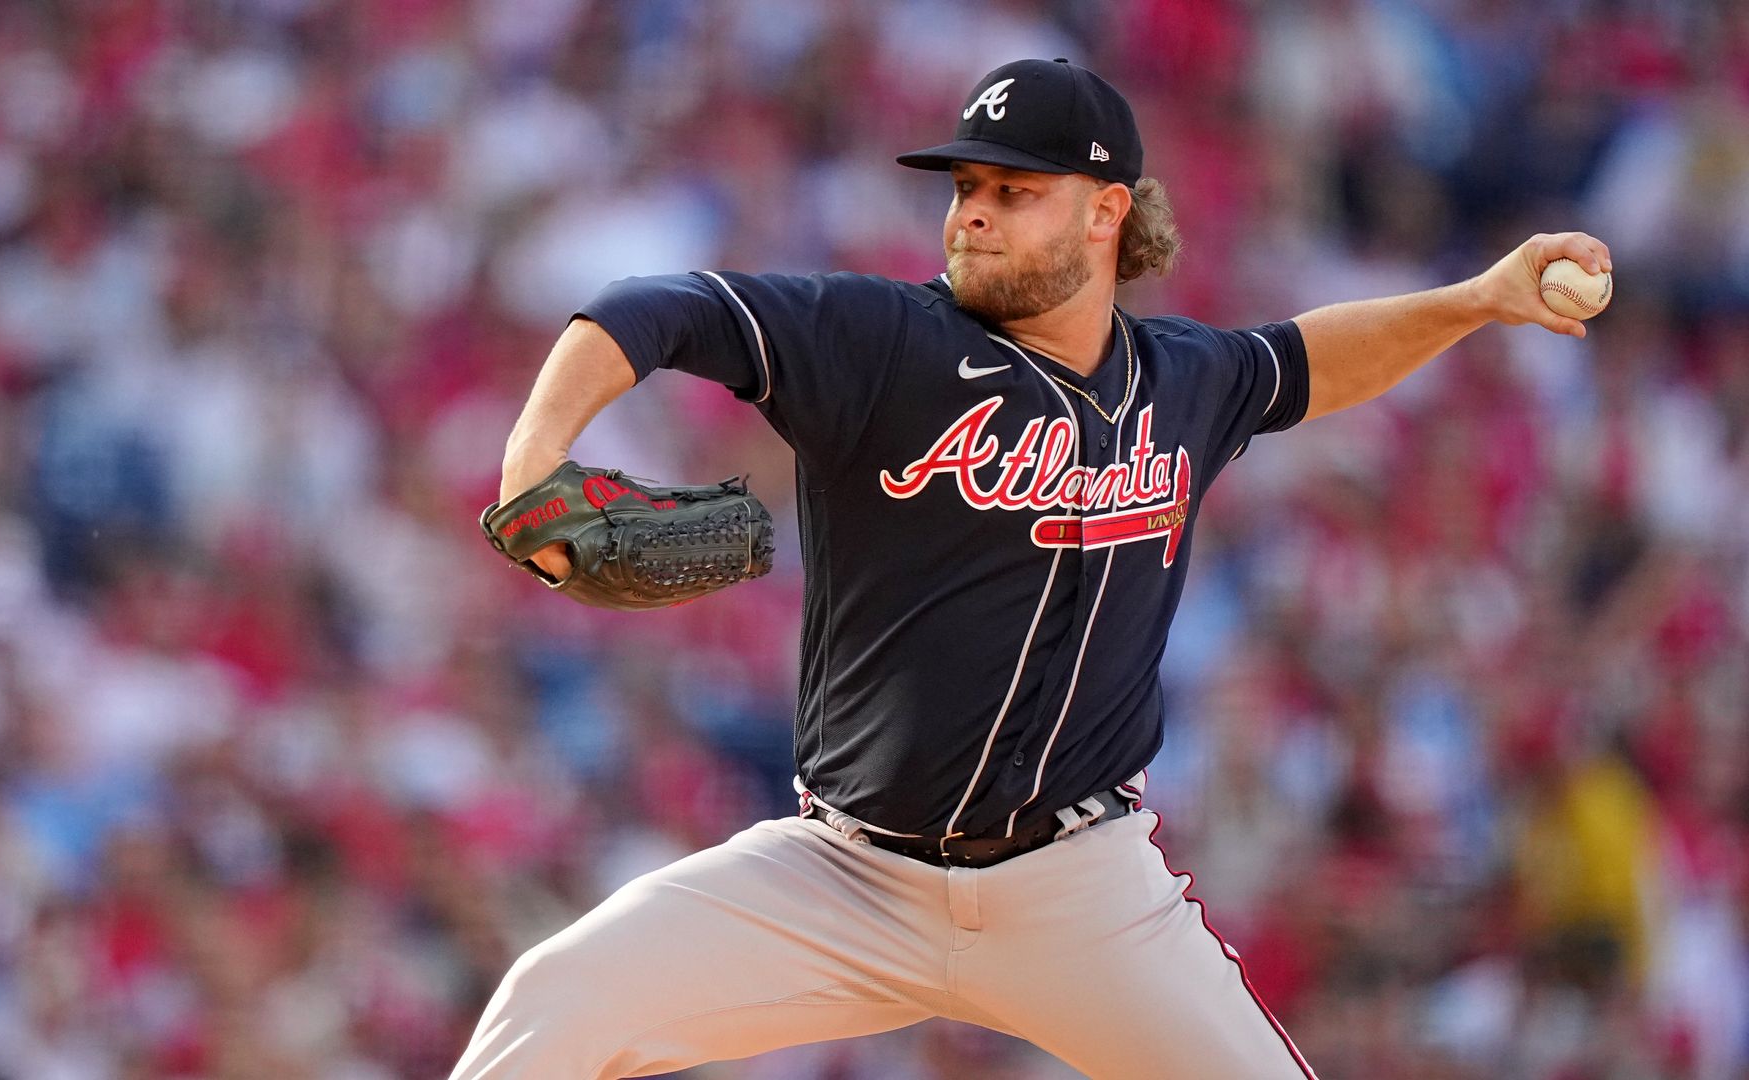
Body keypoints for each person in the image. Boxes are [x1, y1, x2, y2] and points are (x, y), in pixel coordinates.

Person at [457, 58, 1611, 1079]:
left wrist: (1477, 300)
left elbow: (1305, 360)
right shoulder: (885, 343)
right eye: (965, 189)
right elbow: (654, 309)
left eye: (1015, 192)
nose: (974, 216)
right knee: (556, 1004)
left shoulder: (1186, 381)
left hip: (1082, 895)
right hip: (844, 879)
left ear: (1108, 212)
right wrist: (533, 455)